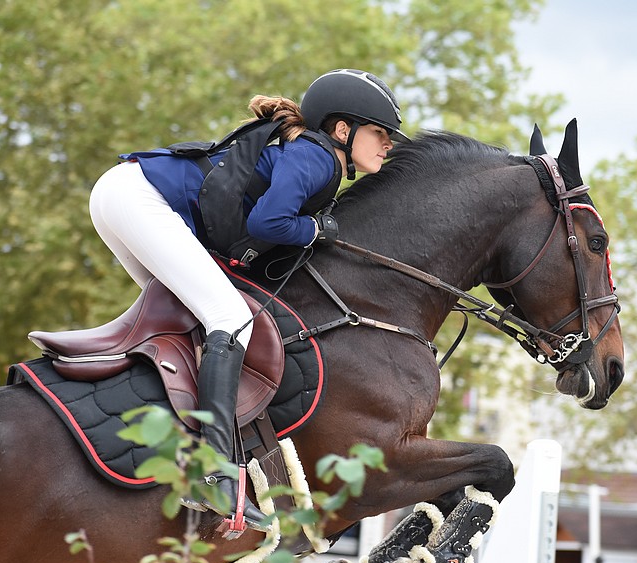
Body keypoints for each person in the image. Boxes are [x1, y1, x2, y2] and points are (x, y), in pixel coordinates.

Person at [88, 69, 406, 531]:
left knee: (187, 324)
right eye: (380, 133)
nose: (388, 144)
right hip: (139, 198)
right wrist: (315, 230)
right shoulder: (318, 158)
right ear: (343, 130)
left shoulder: (313, 155)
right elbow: (268, 224)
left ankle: (162, 443)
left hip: (122, 194)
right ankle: (212, 472)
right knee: (229, 318)